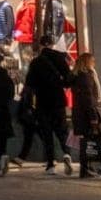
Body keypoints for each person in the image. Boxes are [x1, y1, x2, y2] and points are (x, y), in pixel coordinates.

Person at [24, 46, 74, 174]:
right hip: (58, 101)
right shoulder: (60, 59)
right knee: (62, 131)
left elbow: (29, 85)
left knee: (47, 133)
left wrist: (28, 105)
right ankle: (67, 154)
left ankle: (51, 163)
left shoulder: (36, 62)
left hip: (42, 102)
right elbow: (69, 80)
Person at [70, 52, 101, 179]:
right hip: (87, 114)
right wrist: (93, 118)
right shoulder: (85, 77)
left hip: (80, 113)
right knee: (97, 141)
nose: (94, 63)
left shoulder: (78, 76)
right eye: (92, 61)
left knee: (88, 142)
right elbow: (88, 98)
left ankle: (87, 168)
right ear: (87, 62)